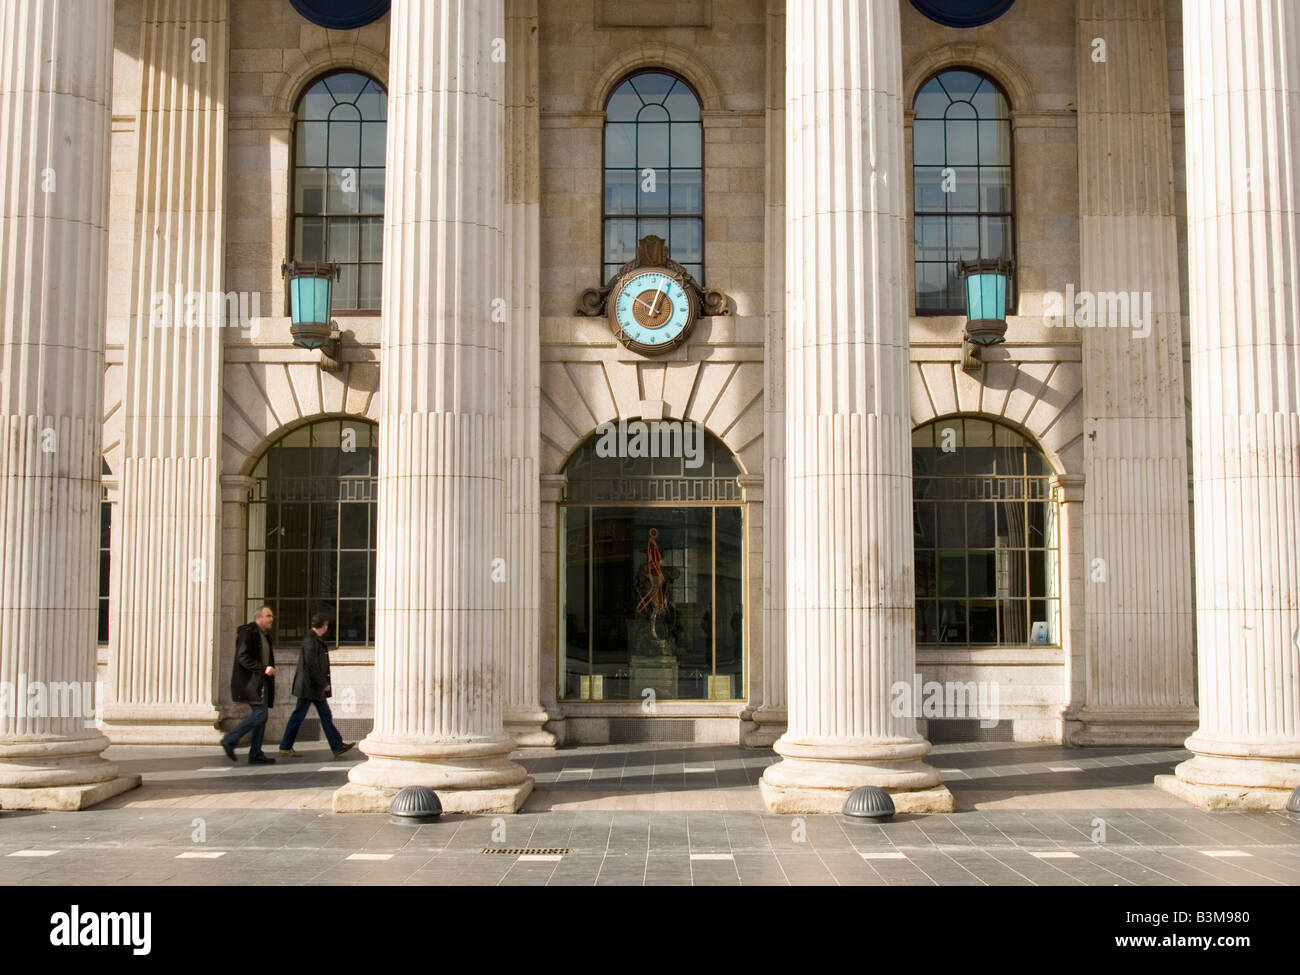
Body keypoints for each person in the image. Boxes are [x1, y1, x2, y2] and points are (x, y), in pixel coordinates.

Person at [278, 612, 354, 760]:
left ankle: (337, 745)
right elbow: (312, 666)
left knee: (324, 715)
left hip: (312, 687)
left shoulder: (313, 640)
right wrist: (323, 683)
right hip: (308, 688)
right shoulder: (311, 641)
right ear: (324, 625)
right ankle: (285, 746)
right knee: (299, 716)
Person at [221, 605, 277, 765]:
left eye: (272, 616)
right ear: (259, 617)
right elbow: (242, 656)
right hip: (251, 683)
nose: (271, 619)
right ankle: (230, 740)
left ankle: (256, 753)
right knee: (260, 714)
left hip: (261, 681)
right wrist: (264, 668)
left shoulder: (264, 635)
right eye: (268, 615)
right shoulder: (248, 632)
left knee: (261, 716)